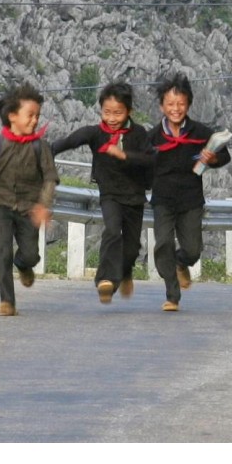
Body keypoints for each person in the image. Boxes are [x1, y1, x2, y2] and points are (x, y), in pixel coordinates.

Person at [50, 81, 153, 304]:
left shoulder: (139, 134)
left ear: (129, 111)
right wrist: (49, 151)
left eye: (118, 113)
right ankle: (105, 280)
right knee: (112, 232)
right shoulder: (96, 134)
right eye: (107, 112)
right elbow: (70, 141)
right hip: (110, 195)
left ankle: (125, 272)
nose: (112, 118)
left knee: (132, 249)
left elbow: (150, 159)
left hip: (134, 197)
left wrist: (125, 155)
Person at [0, 83, 59, 316]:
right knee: (3, 249)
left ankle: (23, 264)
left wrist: (43, 205)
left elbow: (50, 178)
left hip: (29, 207)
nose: (35, 120)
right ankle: (7, 300)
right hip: (1, 203)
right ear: (12, 116)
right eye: (30, 115)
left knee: (31, 254)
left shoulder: (40, 147)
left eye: (37, 115)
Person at [145, 72, 231, 312]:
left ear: (189, 105)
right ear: (162, 106)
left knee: (193, 250)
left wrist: (212, 158)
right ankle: (172, 295)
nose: (176, 109)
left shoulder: (201, 133)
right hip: (163, 200)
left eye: (181, 104)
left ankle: (181, 264)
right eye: (170, 104)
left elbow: (225, 155)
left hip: (191, 200)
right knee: (163, 244)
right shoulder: (152, 137)